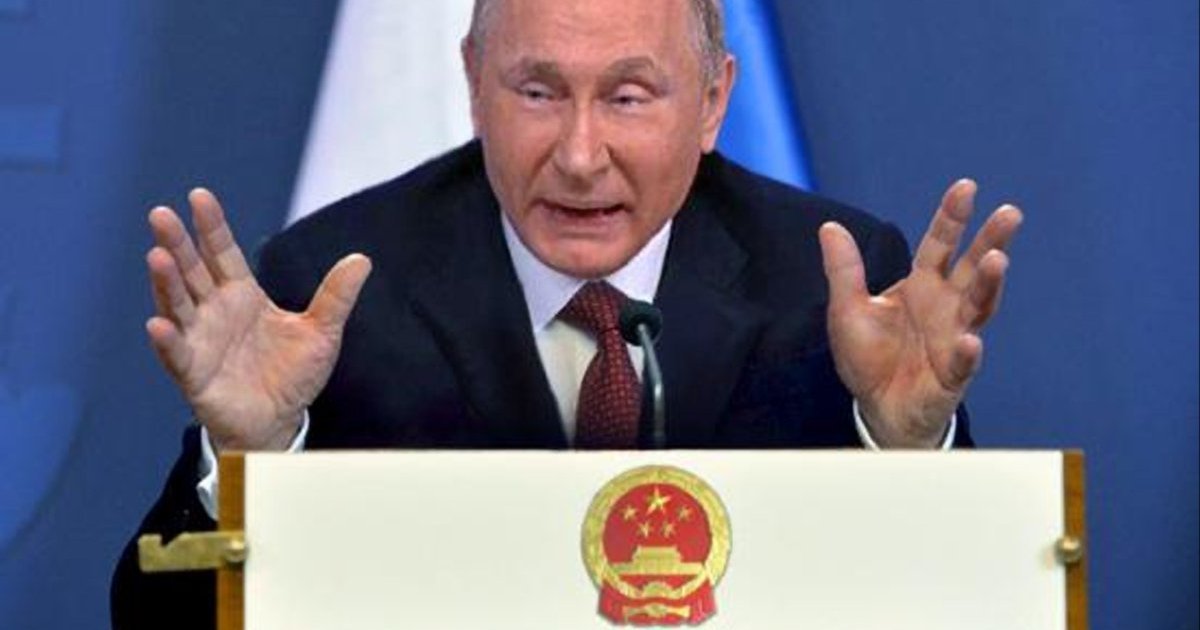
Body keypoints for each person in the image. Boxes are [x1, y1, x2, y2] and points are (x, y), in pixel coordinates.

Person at [111, 0, 1023, 627]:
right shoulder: (334, 286)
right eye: (539, 92)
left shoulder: (830, 284)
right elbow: (156, 620)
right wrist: (251, 460)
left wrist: (904, 448)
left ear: (712, 103)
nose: (581, 156)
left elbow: (974, 605)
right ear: (475, 83)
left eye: (627, 97)